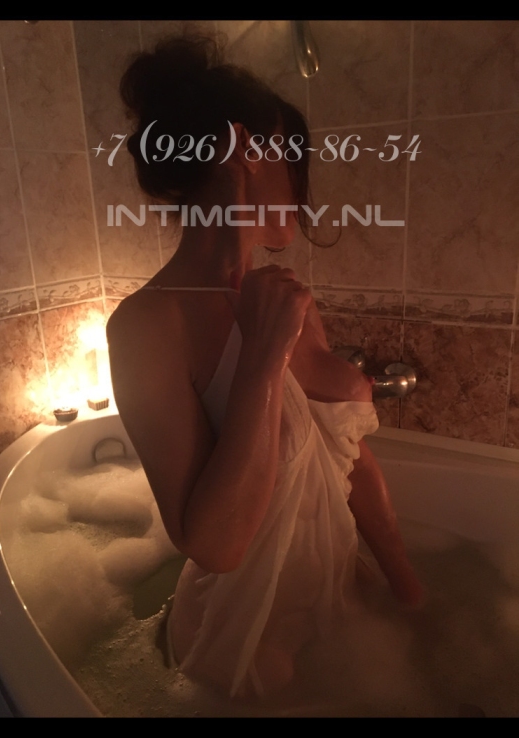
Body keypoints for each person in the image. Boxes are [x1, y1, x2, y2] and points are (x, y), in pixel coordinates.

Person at [107, 35, 423, 700]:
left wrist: (408, 591)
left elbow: (350, 462)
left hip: (338, 606)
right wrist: (261, 357)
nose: (302, 185)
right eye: (291, 157)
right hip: (242, 643)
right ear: (242, 151)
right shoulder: (146, 325)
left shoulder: (285, 296)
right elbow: (215, 546)